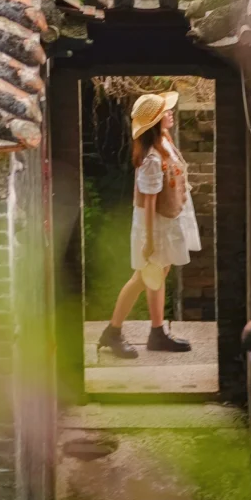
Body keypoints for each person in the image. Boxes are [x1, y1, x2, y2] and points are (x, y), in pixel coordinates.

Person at [97, 88, 199, 359]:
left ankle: (157, 332)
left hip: (167, 220)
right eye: (166, 111)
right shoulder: (151, 159)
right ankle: (113, 331)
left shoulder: (164, 142)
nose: (171, 113)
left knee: (159, 273)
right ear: (154, 120)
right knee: (142, 277)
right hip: (154, 226)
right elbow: (150, 203)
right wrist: (150, 242)